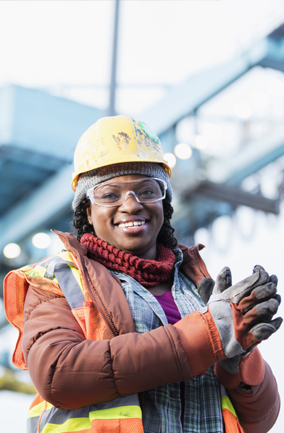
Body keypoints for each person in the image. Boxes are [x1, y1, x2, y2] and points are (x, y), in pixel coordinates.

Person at [4, 115, 282, 433]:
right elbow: (58, 374)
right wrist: (206, 336)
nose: (131, 205)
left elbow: (259, 420)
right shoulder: (58, 279)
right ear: (87, 213)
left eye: (147, 190)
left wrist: (240, 361)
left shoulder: (198, 289)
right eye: (109, 195)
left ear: (164, 202)